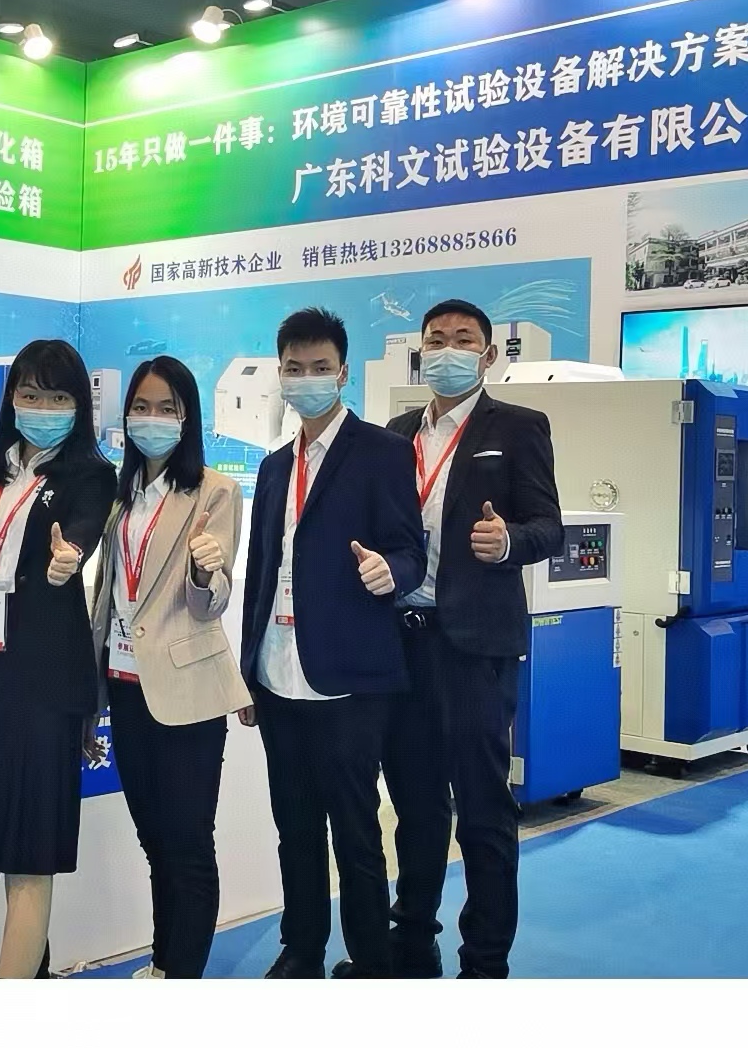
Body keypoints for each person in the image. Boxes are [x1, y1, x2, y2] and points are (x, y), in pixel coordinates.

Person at [238, 307, 426, 979]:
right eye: (295, 368)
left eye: (321, 367)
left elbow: (411, 550)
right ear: (280, 374)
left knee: (354, 827)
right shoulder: (271, 468)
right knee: (294, 825)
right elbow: (263, 571)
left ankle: (370, 958)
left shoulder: (382, 452)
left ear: (343, 373)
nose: (307, 379)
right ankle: (302, 948)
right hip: (277, 673)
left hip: (348, 678)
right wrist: (248, 671)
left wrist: (389, 571)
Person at [377, 299, 563, 980]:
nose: (447, 350)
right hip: (403, 641)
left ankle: (484, 962)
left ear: (487, 356)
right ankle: (411, 940)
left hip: (476, 646)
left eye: (463, 340)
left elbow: (550, 527)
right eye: (436, 340)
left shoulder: (517, 427)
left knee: (483, 809)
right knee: (415, 804)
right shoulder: (396, 434)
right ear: (420, 353)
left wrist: (509, 541)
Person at [0, 338, 116, 979]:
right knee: (5, 844)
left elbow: (81, 532)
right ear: (11, 399)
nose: (42, 407)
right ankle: (30, 973)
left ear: (78, 406)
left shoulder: (91, 475)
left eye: (58, 397)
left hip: (46, 682)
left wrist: (71, 557)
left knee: (33, 852)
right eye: (31, 394)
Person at [86, 356, 249, 980]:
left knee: (187, 843)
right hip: (126, 686)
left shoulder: (215, 491)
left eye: (166, 409)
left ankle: (183, 976)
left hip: (187, 689)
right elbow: (109, 593)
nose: (151, 419)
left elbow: (212, 602)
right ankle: (163, 964)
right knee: (154, 838)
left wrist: (207, 572)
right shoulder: (119, 494)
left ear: (187, 419)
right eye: (141, 407)